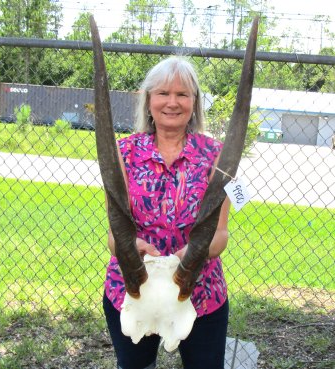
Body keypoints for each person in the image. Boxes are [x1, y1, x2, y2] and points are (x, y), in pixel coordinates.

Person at [102, 56, 231, 369]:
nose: (172, 102)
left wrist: (192, 254)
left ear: (194, 103)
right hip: (133, 288)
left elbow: (221, 233)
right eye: (163, 93)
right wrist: (129, 247)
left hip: (199, 291)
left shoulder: (218, 156)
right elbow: (113, 233)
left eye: (182, 94)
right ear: (148, 100)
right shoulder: (123, 153)